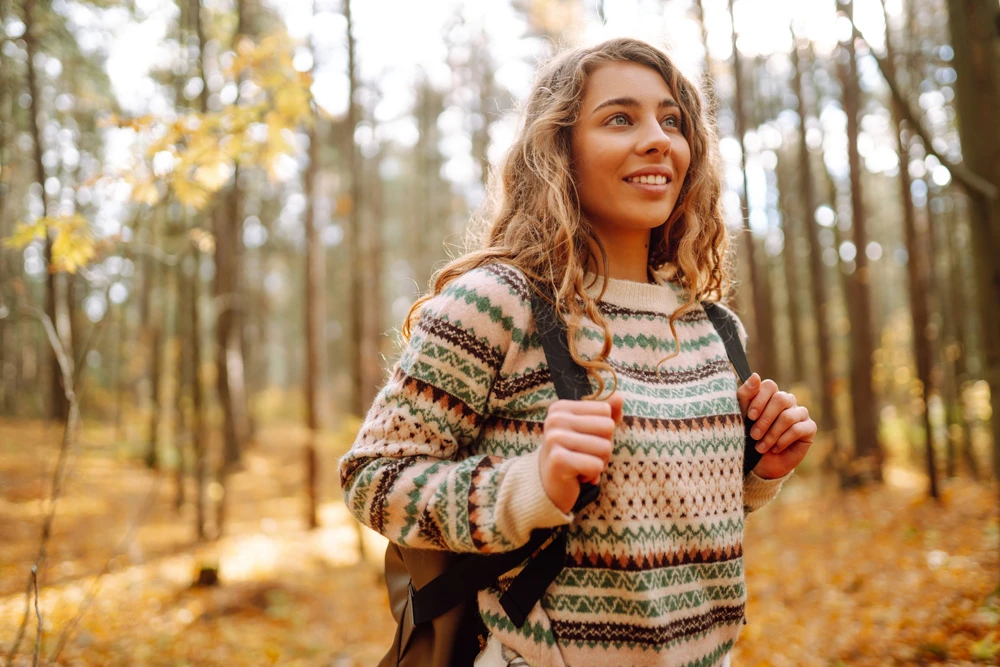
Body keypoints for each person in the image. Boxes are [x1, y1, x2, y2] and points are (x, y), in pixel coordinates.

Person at [338, 36, 817, 667]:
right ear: (558, 148)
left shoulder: (714, 327)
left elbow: (659, 529)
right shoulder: (496, 303)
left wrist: (758, 472)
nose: (657, 139)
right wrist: (527, 487)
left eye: (671, 121)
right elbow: (373, 476)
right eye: (620, 118)